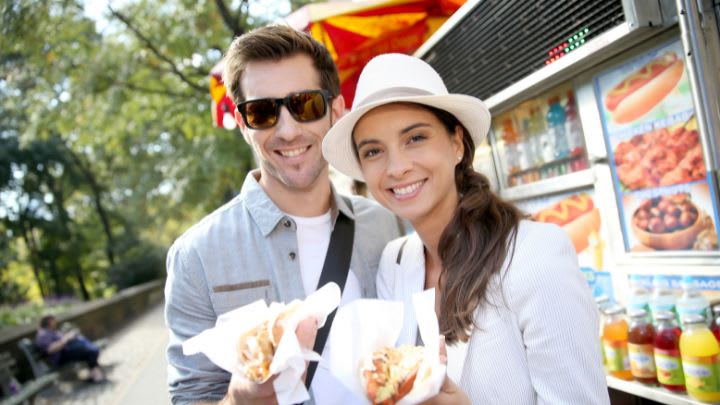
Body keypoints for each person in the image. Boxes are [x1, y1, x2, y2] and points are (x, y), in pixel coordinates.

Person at [322, 53, 610, 404]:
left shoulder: (535, 254)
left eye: (415, 138)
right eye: (373, 151)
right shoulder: (394, 263)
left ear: (457, 142)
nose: (396, 167)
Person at [164, 25, 401, 405]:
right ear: (243, 125)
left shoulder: (386, 224)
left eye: (304, 104)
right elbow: (191, 397)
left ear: (335, 112)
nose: (288, 130)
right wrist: (239, 400)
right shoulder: (196, 256)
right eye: (262, 112)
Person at [34, 315, 104, 382]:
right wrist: (66, 338)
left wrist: (70, 336)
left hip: (66, 352)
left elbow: (61, 338)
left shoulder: (50, 331)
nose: (56, 321)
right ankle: (96, 375)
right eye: (53, 320)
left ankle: (95, 373)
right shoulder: (43, 334)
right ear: (49, 321)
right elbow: (50, 350)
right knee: (90, 351)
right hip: (60, 357)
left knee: (87, 347)